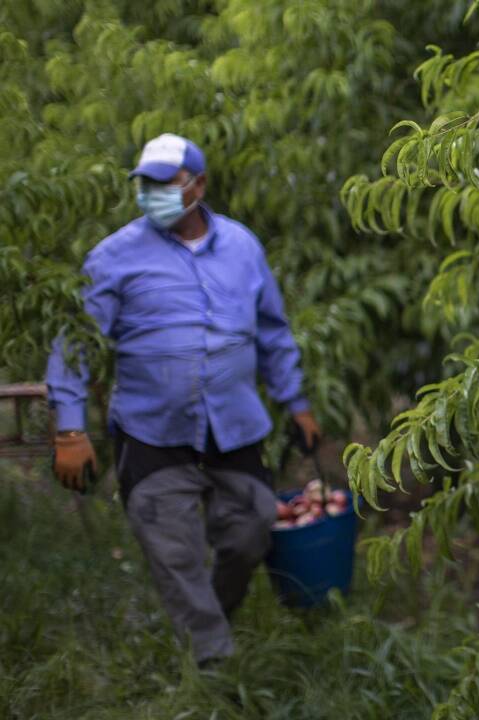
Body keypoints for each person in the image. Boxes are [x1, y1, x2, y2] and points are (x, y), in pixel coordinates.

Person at [46, 133, 320, 667]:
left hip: (234, 426)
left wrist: (297, 402)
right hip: (153, 431)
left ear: (199, 185)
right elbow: (75, 343)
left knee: (251, 529)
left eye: (164, 184)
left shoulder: (242, 247)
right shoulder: (113, 257)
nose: (151, 194)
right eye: (144, 185)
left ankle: (207, 620)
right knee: (175, 552)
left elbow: (272, 332)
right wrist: (70, 428)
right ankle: (215, 667)